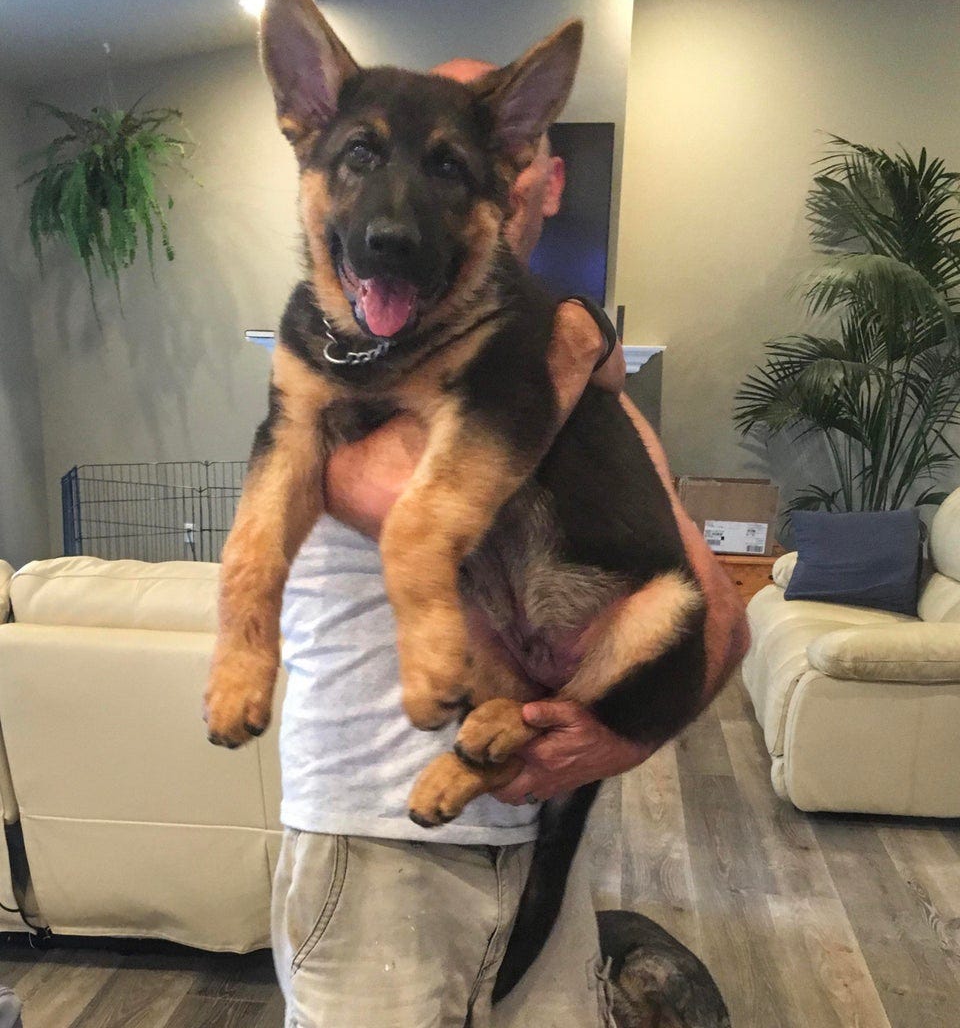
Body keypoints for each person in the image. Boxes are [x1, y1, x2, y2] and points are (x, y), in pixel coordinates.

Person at [271, 58, 748, 1028]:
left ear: (544, 177)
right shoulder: (343, 345)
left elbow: (720, 618)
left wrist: (617, 736)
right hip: (377, 849)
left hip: (537, 843)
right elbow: (400, 493)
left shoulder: (606, 399)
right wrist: (568, 352)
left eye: (499, 150)